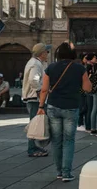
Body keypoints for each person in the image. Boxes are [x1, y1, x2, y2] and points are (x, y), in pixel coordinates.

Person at [38, 42, 92, 183]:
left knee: (56, 140)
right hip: (71, 106)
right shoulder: (79, 68)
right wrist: (78, 88)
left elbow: (44, 89)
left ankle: (59, 172)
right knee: (68, 140)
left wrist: (41, 106)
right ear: (73, 54)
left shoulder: (51, 67)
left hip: (53, 106)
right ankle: (67, 173)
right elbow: (87, 88)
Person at [22, 42, 51, 157]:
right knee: (34, 124)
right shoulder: (35, 64)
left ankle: (34, 146)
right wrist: (40, 93)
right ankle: (31, 148)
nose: (47, 54)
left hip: (34, 97)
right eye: (46, 52)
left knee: (35, 122)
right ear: (42, 53)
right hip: (34, 98)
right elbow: (34, 80)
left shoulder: (37, 63)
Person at [80, 53, 95, 133]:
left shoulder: (87, 66)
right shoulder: (88, 67)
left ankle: (87, 124)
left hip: (85, 89)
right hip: (86, 89)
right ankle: (88, 125)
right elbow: (87, 78)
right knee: (88, 108)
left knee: (86, 107)